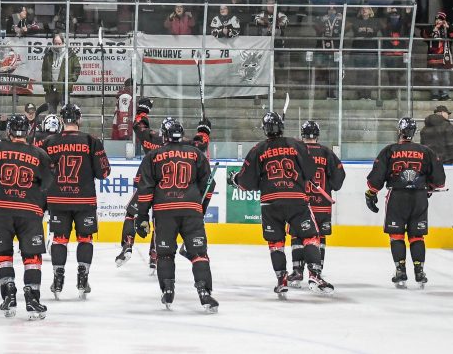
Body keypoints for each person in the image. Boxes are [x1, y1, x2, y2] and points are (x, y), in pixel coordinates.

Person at [117, 117, 218, 312]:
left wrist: (143, 216)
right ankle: (205, 293)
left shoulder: (153, 156)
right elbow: (209, 185)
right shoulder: (196, 153)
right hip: (191, 211)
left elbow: (145, 189)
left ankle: (168, 291)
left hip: (164, 212)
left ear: (164, 135)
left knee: (164, 255)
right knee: (199, 254)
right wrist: (200, 207)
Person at [233, 112, 334, 297]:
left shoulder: (258, 149)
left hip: (270, 202)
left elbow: (247, 182)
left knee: (276, 242)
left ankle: (281, 279)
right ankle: (315, 275)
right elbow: (311, 170)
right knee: (311, 236)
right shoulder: (296, 145)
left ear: (265, 129)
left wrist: (235, 179)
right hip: (296, 199)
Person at [0, 114, 54, 320]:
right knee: (32, 258)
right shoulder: (40, 154)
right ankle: (32, 298)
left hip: (1, 210)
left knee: (3, 254)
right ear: (28, 132)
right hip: (30, 211)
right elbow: (48, 182)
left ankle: (8, 295)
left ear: (9, 131)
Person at [366, 117, 446, 288]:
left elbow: (376, 178)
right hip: (419, 197)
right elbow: (439, 180)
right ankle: (419, 270)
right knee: (417, 235)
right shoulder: (426, 151)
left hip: (397, 196)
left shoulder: (390, 150)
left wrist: (371, 193)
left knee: (396, 235)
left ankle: (400, 270)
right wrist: (429, 186)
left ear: (399, 131)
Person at [40, 103, 109, 299]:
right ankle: (82, 279)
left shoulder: (49, 142)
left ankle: (58, 279)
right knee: (85, 238)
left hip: (57, 199)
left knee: (59, 239)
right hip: (84, 199)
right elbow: (104, 172)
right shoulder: (91, 141)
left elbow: (41, 171)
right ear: (79, 119)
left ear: (62, 120)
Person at [291, 121, 344, 287]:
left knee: (297, 236)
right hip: (321, 204)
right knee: (319, 237)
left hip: (300, 204)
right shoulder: (327, 153)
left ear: (302, 134)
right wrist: (332, 185)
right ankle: (317, 271)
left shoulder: (295, 151)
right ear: (318, 135)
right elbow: (338, 178)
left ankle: (298, 271)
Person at [40, 34, 80, 112]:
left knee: (66, 112)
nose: (57, 45)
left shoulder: (70, 54)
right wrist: (46, 84)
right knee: (51, 112)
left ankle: (66, 124)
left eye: (59, 43)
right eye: (55, 43)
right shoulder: (48, 55)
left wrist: (70, 81)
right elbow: (44, 70)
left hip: (63, 89)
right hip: (51, 89)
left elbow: (77, 68)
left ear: (63, 43)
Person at [425, 11, 453, 101]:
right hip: (434, 57)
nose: (438, 21)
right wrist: (435, 29)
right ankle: (435, 94)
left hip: (445, 57)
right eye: (437, 19)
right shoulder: (431, 28)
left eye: (441, 20)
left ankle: (445, 95)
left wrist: (448, 27)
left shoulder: (447, 28)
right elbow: (424, 34)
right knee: (435, 78)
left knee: (446, 78)